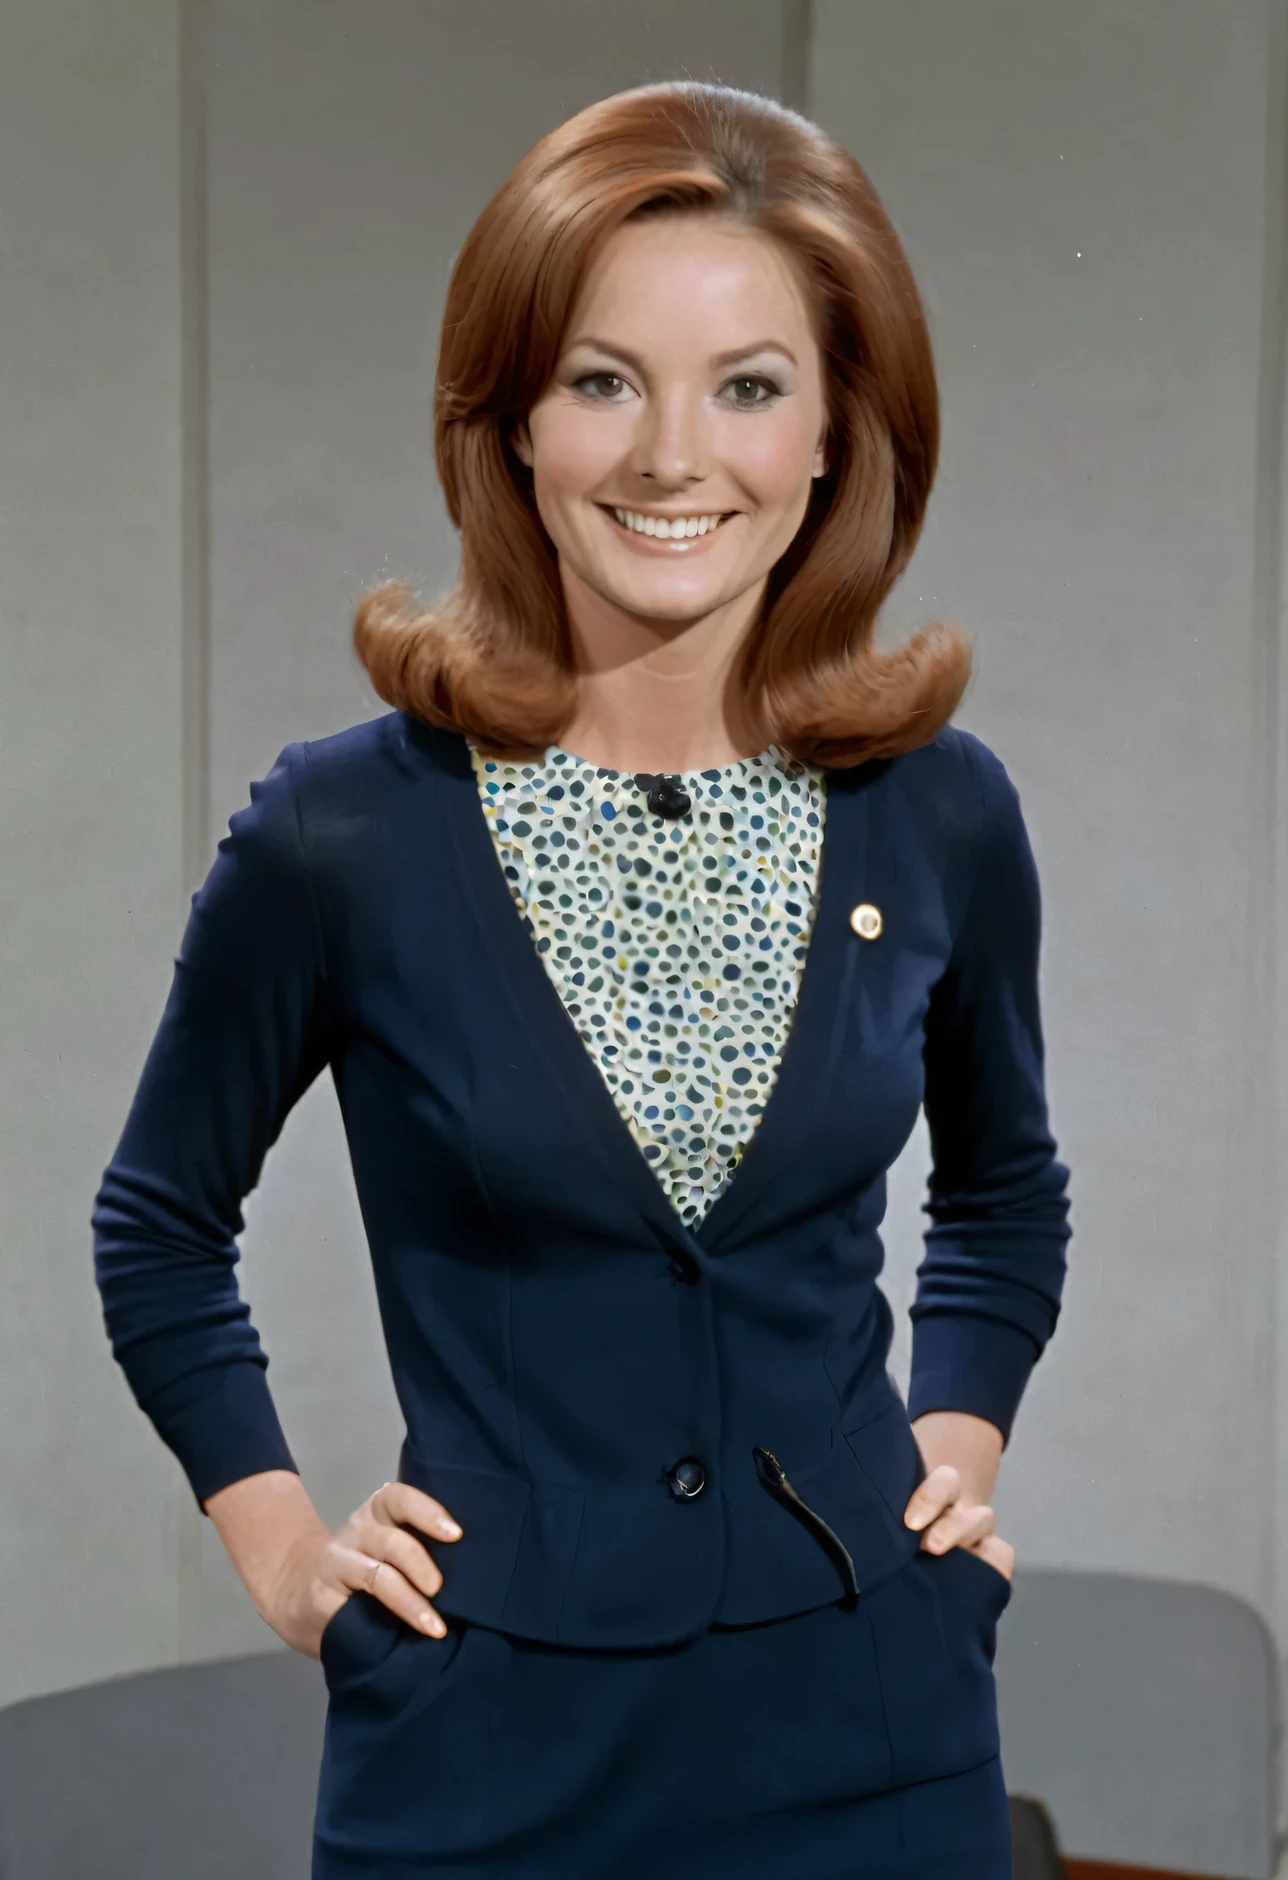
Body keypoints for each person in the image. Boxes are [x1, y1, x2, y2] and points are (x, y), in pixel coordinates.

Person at [93, 81, 1071, 1879]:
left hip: (873, 1718)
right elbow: (157, 1221)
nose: (669, 456)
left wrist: (955, 1450)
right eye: (603, 380)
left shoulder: (940, 811)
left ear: (843, 434)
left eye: (749, 387)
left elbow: (1007, 1191)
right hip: (483, 1743)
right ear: (513, 422)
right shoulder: (343, 834)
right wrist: (292, 1561)